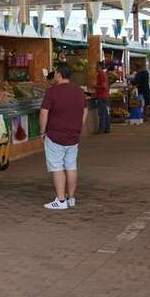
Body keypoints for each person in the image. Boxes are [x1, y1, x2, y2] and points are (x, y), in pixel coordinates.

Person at [40, 63, 87, 210]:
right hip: (74, 136)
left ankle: (60, 200)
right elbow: (85, 110)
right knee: (71, 166)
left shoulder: (53, 91)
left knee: (57, 166)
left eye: (54, 73)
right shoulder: (79, 91)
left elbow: (44, 112)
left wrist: (42, 131)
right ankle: (71, 198)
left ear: (59, 74)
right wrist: (79, 126)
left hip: (55, 134)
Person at [94, 62, 110, 134]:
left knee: (102, 113)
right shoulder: (104, 74)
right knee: (106, 113)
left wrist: (95, 86)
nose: (95, 68)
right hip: (105, 95)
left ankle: (101, 129)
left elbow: (104, 86)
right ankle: (107, 128)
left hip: (102, 96)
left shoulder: (101, 74)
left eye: (96, 66)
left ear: (99, 67)